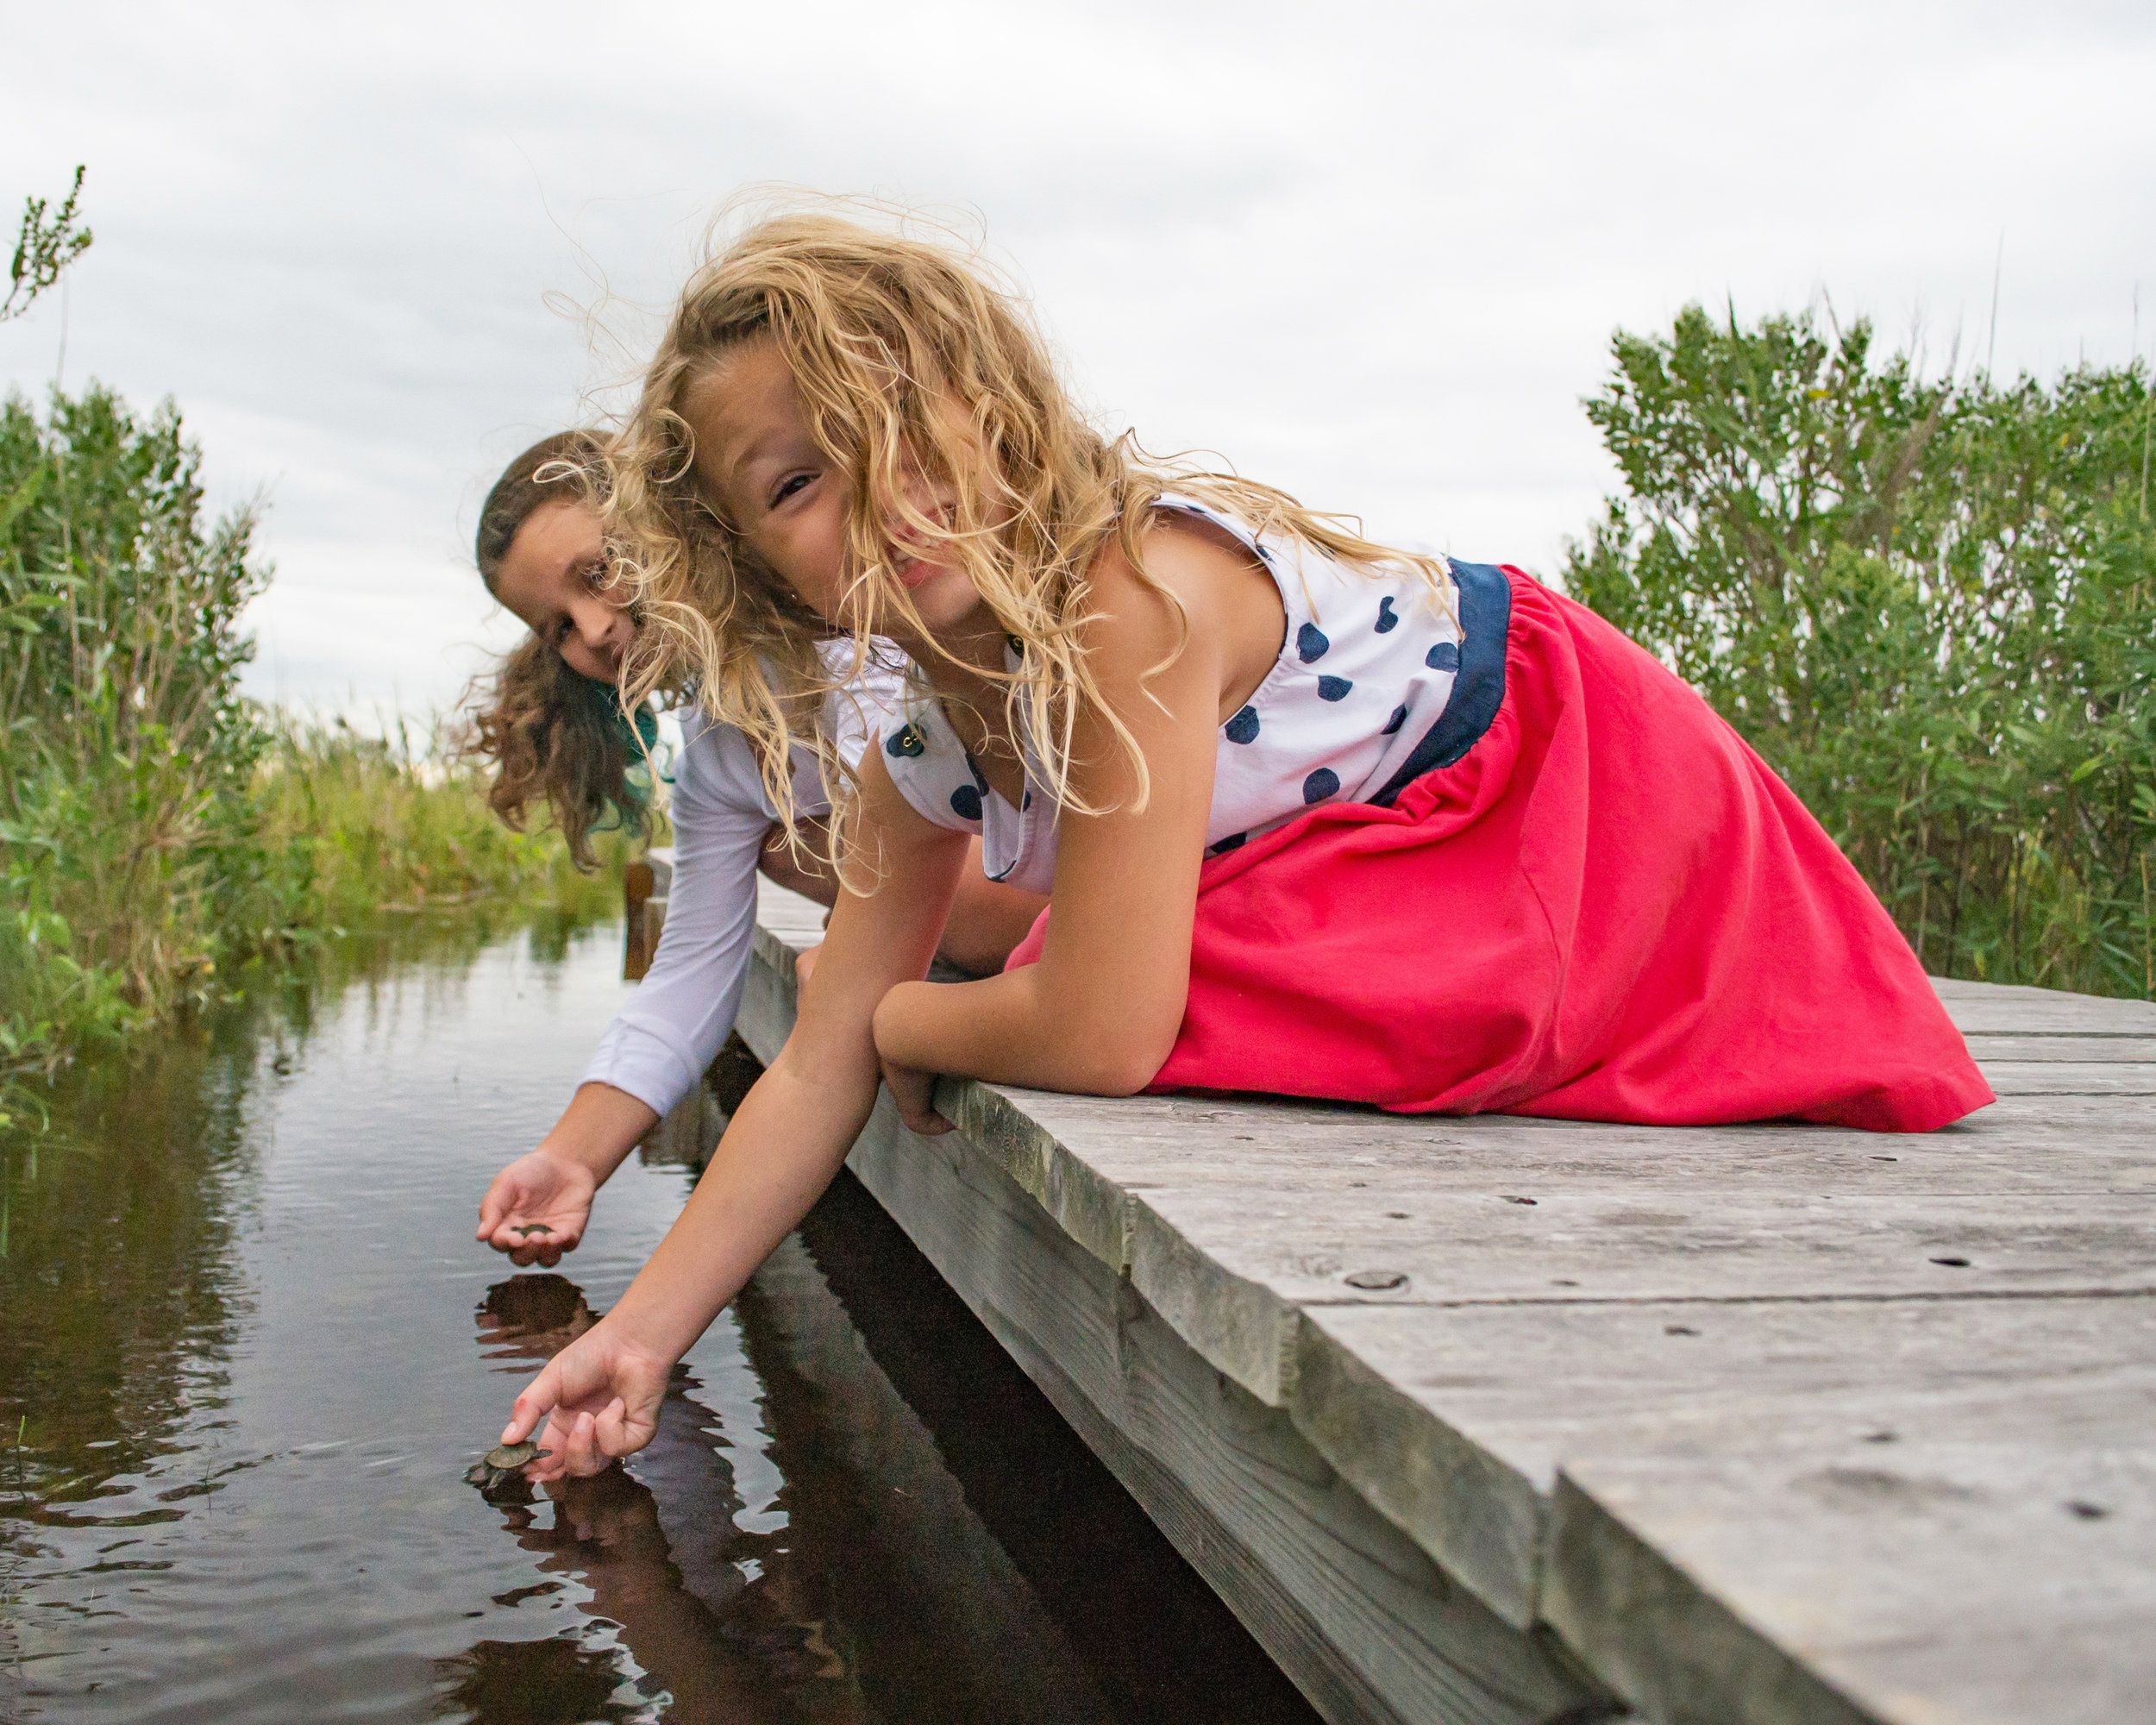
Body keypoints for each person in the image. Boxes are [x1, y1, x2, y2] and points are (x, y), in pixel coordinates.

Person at [497, 212, 1993, 1479]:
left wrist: (903, 1013)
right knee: (1125, 966)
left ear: (986, 395)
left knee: (1131, 987)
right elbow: (815, 1069)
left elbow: (1093, 1029)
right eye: (799, 485)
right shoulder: (921, 737)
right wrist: (636, 1340)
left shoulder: (1123, 598)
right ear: (763, 574)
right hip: (1362, 848)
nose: (885, 487)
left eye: (893, 413)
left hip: (1547, 780)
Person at [465, 430, 1042, 1270]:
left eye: (596, 572)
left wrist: (842, 927)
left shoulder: (860, 644)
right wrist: (570, 1156)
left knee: (825, 928)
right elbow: (689, 971)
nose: (592, 627)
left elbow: (1007, 901)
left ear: (663, 521)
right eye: (555, 626)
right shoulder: (722, 752)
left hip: (1102, 924)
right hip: (1001, 950)